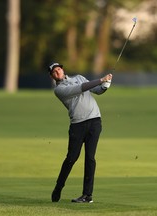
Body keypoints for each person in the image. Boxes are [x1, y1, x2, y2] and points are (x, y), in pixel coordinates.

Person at [48, 62, 112, 203]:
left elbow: (97, 90)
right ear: (52, 76)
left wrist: (106, 84)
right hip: (78, 125)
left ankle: (87, 195)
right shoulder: (59, 90)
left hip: (94, 121)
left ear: (62, 70)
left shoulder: (80, 77)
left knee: (90, 158)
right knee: (72, 158)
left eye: (59, 69)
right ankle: (58, 187)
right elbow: (80, 89)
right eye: (54, 72)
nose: (57, 72)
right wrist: (101, 79)